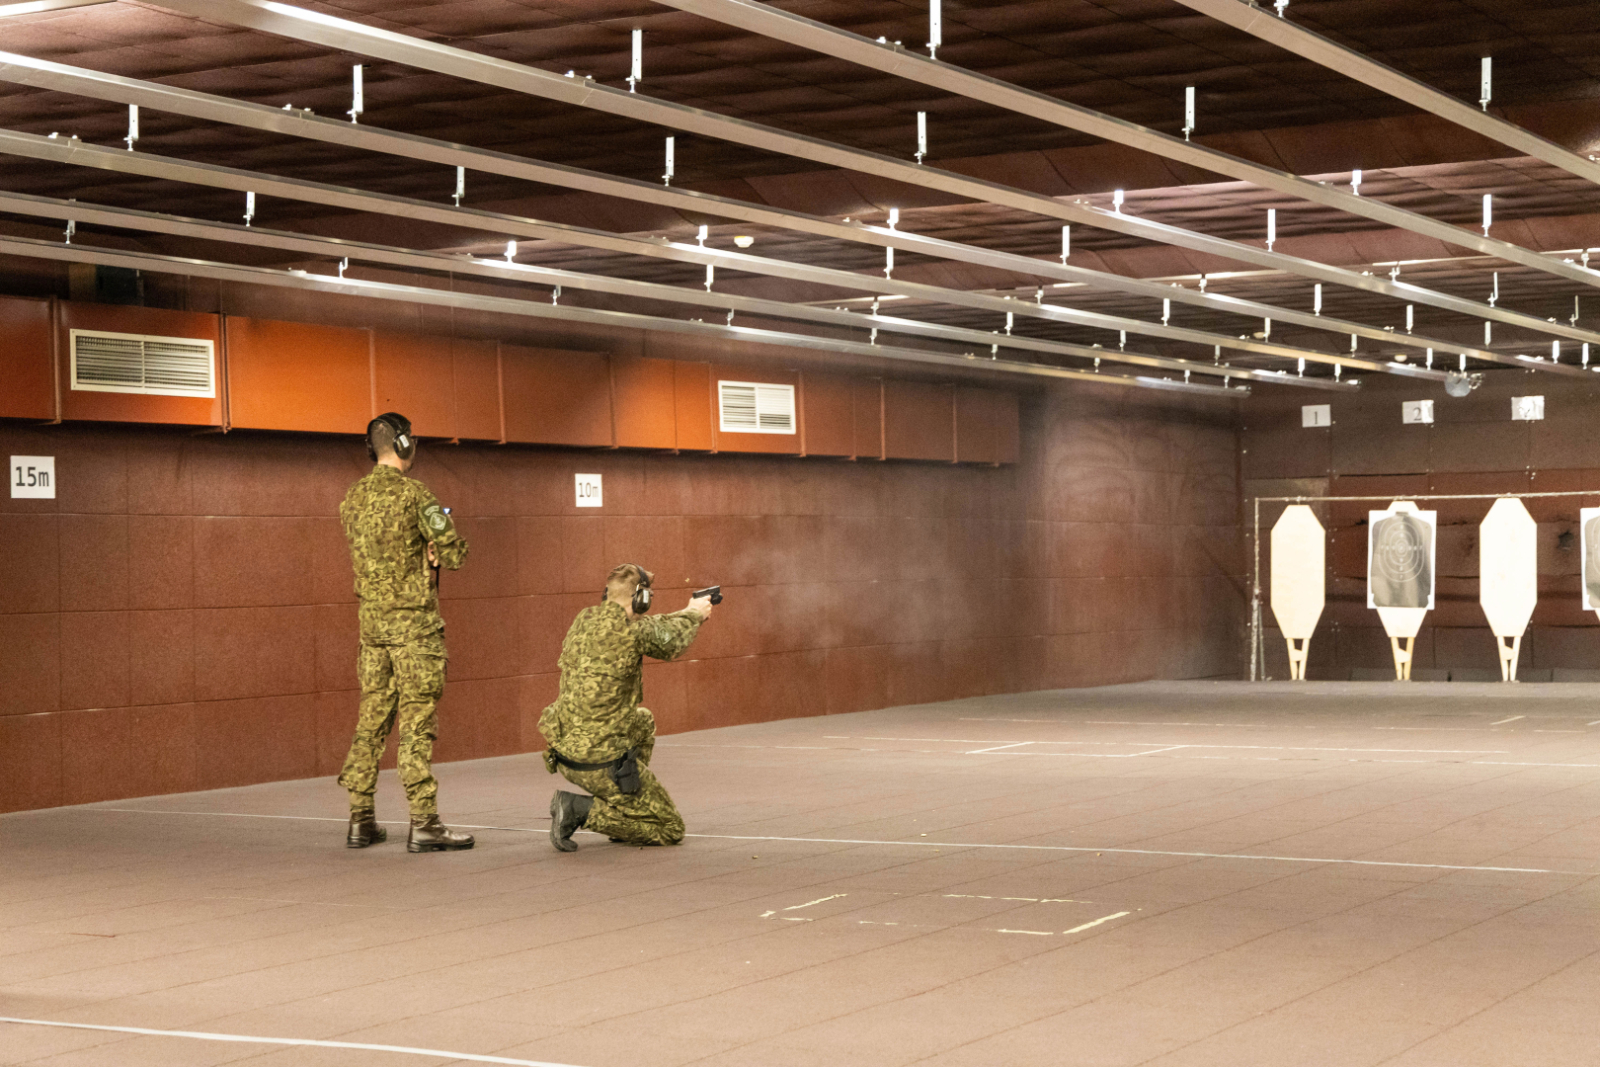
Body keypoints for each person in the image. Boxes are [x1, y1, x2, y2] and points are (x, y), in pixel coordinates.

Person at [337, 411, 475, 853]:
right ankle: (424, 822)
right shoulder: (418, 496)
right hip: (414, 629)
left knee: (371, 721)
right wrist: (437, 550)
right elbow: (455, 555)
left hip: (372, 628)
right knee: (416, 724)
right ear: (401, 444)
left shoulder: (351, 499)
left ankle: (361, 820)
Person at [540, 564, 714, 851]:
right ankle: (579, 810)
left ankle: (625, 800)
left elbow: (652, 627)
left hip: (564, 748)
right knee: (669, 828)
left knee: (642, 721)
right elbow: (670, 642)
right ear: (640, 599)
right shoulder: (633, 631)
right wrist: (695, 614)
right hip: (598, 760)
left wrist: (687, 612)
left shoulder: (584, 620)